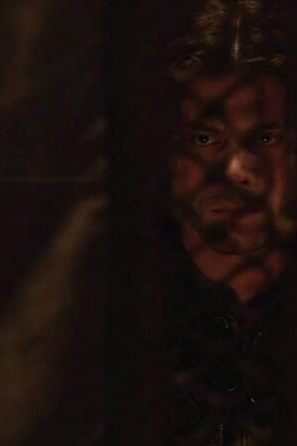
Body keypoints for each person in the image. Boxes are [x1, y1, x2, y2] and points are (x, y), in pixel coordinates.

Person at [161, 0, 297, 444]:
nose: (238, 170)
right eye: (206, 138)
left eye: (265, 138)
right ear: (171, 156)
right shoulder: (127, 314)